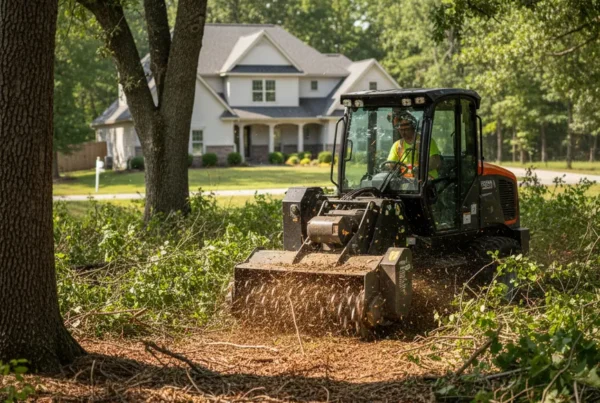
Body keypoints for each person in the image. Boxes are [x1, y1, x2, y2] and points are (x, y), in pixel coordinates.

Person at [386, 112, 441, 179]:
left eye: (406, 129)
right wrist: (392, 166)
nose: (403, 132)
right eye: (401, 130)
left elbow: (436, 162)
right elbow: (390, 163)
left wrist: (420, 169)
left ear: (413, 128)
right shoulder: (397, 145)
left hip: (427, 181)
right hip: (406, 183)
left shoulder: (425, 141)